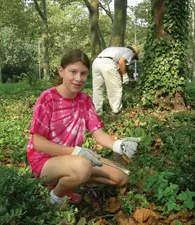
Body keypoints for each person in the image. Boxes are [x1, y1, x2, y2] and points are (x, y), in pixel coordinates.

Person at [26, 49, 140, 205]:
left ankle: (69, 181)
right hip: (45, 161)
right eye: (73, 72)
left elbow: (98, 134)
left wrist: (118, 144)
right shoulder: (48, 98)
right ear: (61, 71)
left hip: (74, 159)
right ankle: (54, 199)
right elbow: (38, 143)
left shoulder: (85, 100)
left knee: (121, 177)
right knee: (83, 167)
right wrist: (75, 151)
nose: (78, 78)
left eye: (83, 73)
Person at [92, 46, 139, 115]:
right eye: (135, 56)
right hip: (107, 63)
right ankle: (116, 110)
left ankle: (97, 110)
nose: (132, 58)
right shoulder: (130, 52)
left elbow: (118, 65)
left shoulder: (117, 49)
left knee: (98, 88)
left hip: (96, 63)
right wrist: (125, 75)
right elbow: (121, 62)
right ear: (134, 52)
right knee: (115, 88)